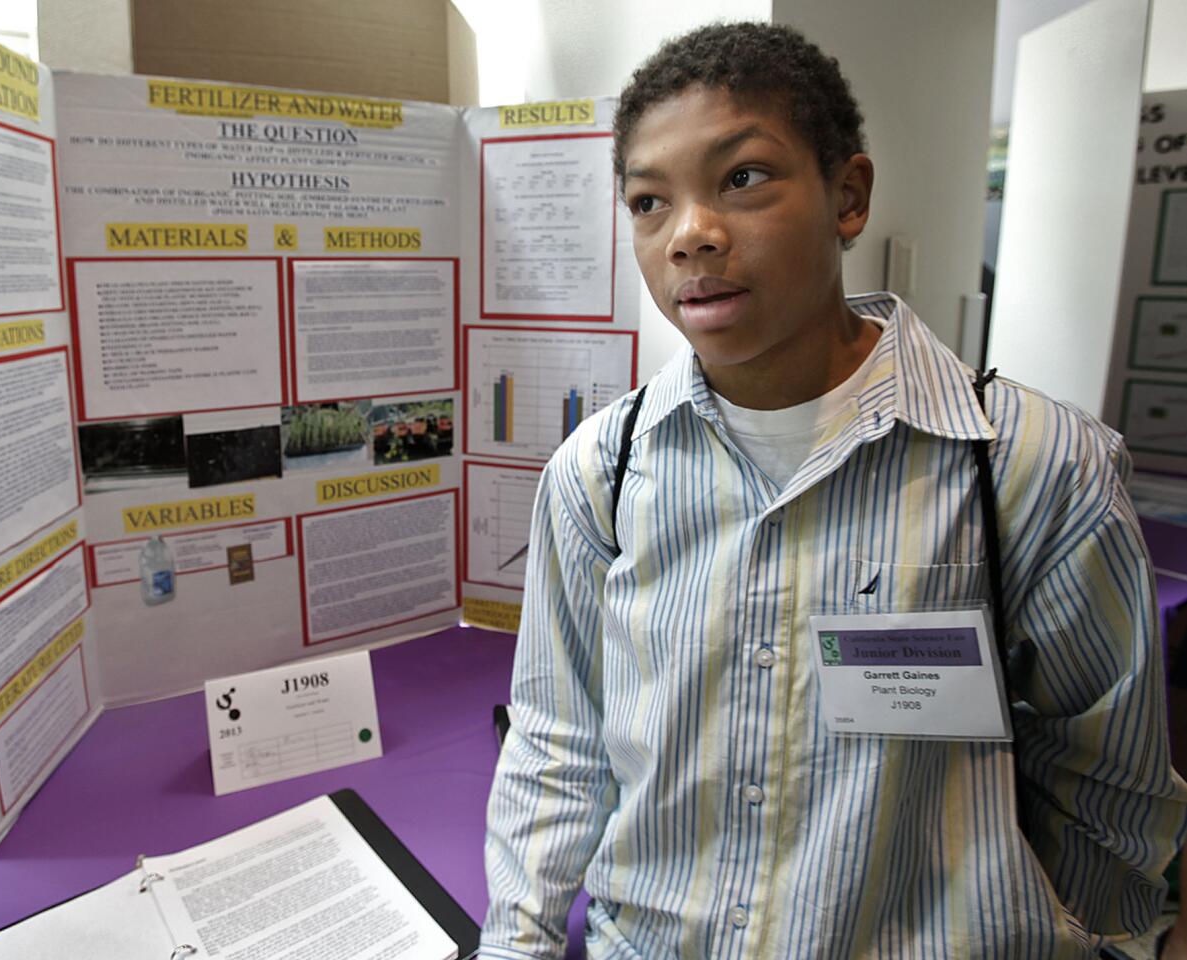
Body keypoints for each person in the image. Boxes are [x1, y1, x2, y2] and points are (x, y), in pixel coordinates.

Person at [481, 21, 1187, 959]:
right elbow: (558, 741)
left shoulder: (1027, 462)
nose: (690, 234)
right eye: (649, 201)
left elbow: (1105, 783)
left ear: (846, 196)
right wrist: (516, 944)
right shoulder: (598, 472)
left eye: (742, 177)